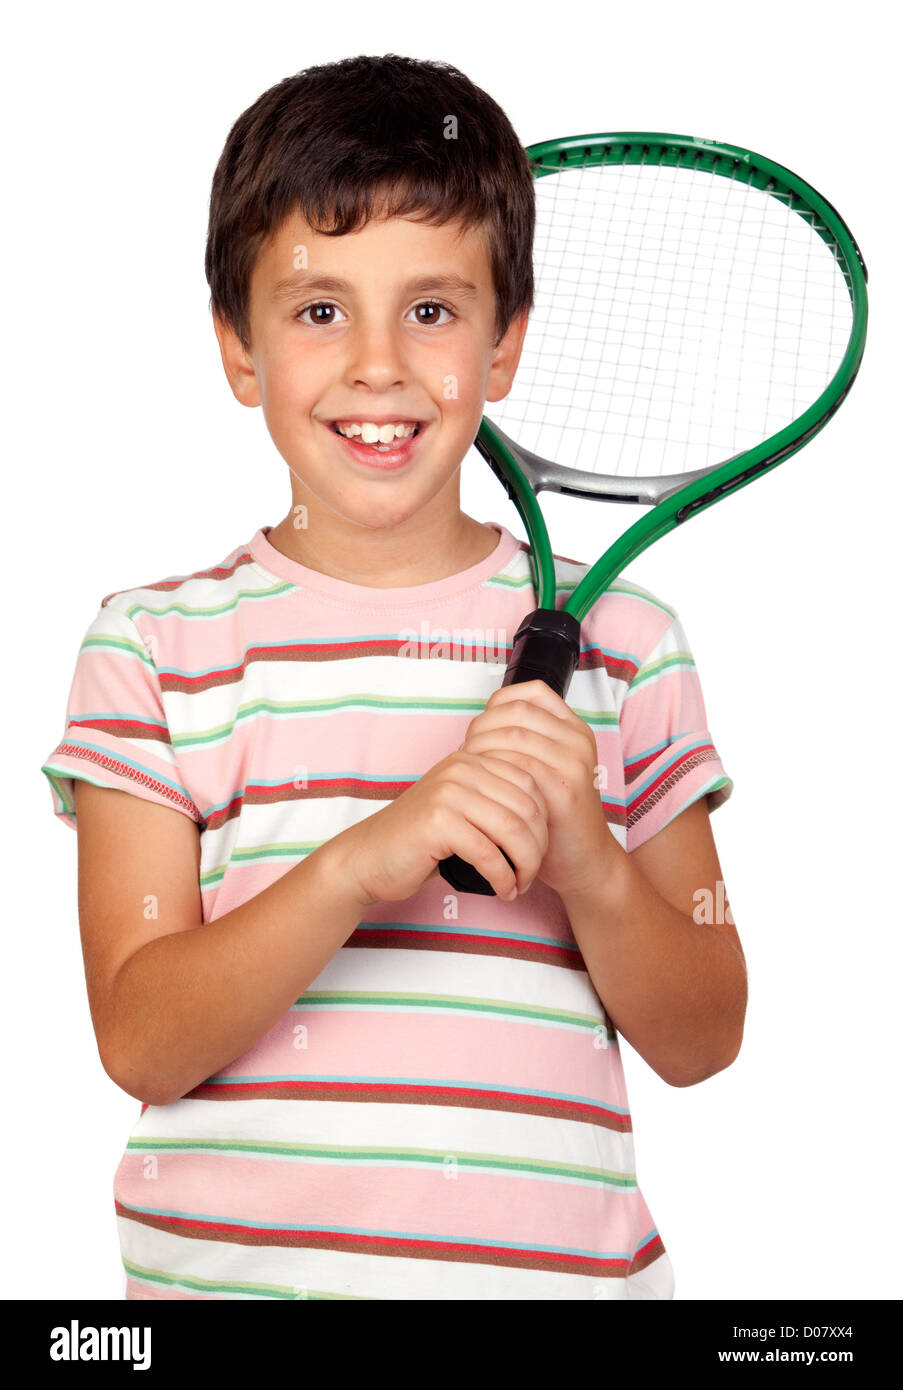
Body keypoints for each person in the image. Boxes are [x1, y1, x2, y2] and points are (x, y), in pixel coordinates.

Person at [41, 53, 747, 1301]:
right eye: (320, 310)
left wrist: (584, 847)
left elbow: (703, 1032)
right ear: (238, 350)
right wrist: (370, 855)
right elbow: (143, 1037)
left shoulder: (628, 640)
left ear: (506, 342)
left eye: (432, 309)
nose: (378, 365)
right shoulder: (152, 648)